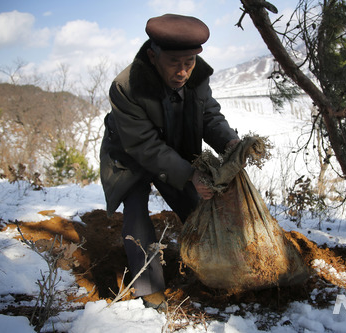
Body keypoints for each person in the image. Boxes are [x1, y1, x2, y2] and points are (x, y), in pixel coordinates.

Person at [99, 14, 240, 311]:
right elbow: (145, 146)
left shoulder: (197, 74)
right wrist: (190, 174)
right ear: (153, 56)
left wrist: (231, 143)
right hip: (129, 153)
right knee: (136, 210)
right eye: (174, 62)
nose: (183, 72)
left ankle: (214, 272)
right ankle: (149, 290)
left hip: (173, 149)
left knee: (196, 207)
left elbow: (209, 116)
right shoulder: (126, 86)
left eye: (189, 62)